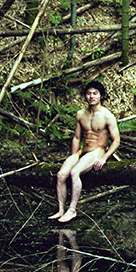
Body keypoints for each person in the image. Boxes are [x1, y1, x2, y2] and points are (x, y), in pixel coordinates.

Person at [50, 80, 119, 222]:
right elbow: (76, 137)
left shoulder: (107, 115)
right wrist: (74, 156)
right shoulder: (80, 114)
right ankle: (61, 209)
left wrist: (104, 158)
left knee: (75, 172)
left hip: (97, 151)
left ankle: (72, 210)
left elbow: (116, 140)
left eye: (95, 93)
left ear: (101, 96)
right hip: (83, 151)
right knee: (61, 175)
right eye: (88, 93)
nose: (91, 96)